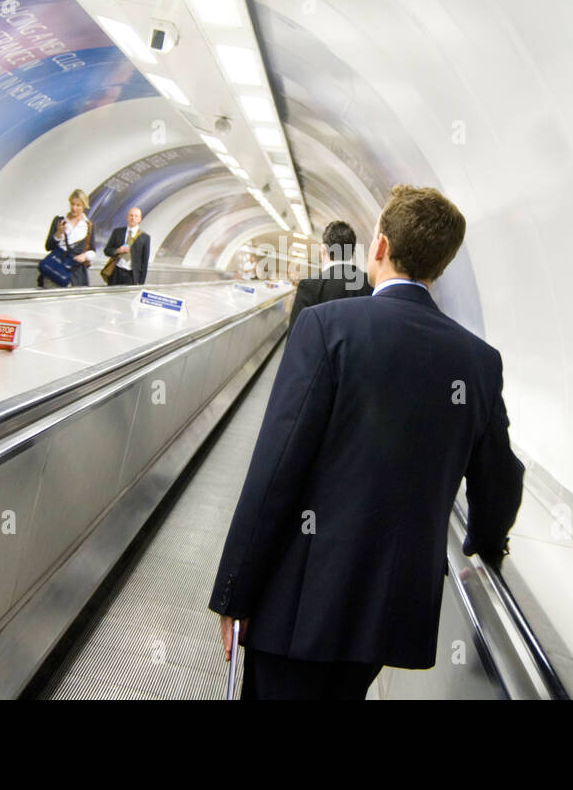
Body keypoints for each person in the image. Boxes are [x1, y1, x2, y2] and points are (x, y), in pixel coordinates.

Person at [209, 185, 525, 699]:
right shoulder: (478, 362)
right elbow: (501, 480)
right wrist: (486, 544)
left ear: (379, 246)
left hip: (299, 606)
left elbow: (276, 468)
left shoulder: (326, 327)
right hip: (390, 614)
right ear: (438, 267)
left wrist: (234, 592)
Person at [288, 220, 373, 329]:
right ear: (352, 252)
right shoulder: (369, 283)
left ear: (323, 250)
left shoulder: (309, 287)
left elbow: (296, 337)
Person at [39, 190, 93, 288]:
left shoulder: (88, 225)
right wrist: (58, 233)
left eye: (78, 205)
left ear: (84, 206)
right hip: (56, 269)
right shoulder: (59, 220)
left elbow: (93, 250)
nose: (74, 208)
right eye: (72, 204)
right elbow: (48, 246)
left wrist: (85, 256)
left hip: (75, 273)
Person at [102, 206, 150, 286]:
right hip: (116, 272)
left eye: (136, 216)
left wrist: (141, 282)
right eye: (131, 215)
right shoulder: (117, 232)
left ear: (139, 219)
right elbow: (107, 251)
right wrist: (117, 250)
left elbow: (144, 262)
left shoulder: (145, 238)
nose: (133, 218)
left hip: (132, 275)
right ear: (127, 217)